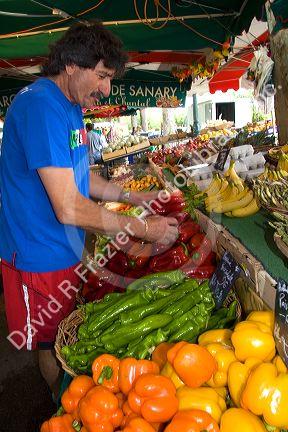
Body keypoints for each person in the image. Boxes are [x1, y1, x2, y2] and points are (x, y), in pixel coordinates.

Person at [0, 21, 178, 398]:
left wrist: (134, 198)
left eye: (110, 78)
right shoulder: (39, 107)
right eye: (101, 76)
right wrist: (145, 230)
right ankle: (58, 404)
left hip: (65, 248)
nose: (107, 89)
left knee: (70, 330)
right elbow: (68, 206)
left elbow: (84, 178)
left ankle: (70, 396)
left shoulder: (70, 107)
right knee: (52, 342)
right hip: (37, 256)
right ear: (70, 65)